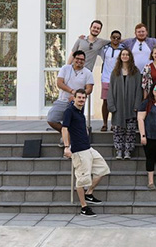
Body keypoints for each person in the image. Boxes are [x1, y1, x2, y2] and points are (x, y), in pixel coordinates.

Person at [62, 89, 110, 217]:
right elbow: (64, 128)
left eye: (84, 98)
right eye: (79, 97)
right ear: (74, 98)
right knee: (82, 180)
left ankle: (89, 193)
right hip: (79, 151)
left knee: (103, 169)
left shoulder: (80, 111)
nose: (82, 100)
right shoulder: (69, 111)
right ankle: (84, 207)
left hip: (88, 148)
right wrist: (67, 147)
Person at [47, 50, 94, 147]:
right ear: (73, 58)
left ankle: (69, 141)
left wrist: (77, 97)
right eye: (77, 59)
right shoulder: (65, 68)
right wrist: (72, 91)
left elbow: (89, 89)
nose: (79, 61)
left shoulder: (87, 72)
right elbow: (59, 83)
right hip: (63, 99)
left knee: (74, 122)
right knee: (51, 118)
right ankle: (67, 135)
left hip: (77, 103)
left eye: (82, 60)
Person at [107, 49, 143, 160]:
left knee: (130, 130)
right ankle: (119, 150)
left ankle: (128, 151)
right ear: (120, 56)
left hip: (131, 106)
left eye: (127, 54)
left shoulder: (135, 72)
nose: (125, 56)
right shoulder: (115, 72)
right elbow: (111, 89)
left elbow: (138, 90)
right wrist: (111, 105)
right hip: (118, 106)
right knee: (118, 130)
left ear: (130, 56)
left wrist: (137, 105)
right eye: (123, 54)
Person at [99, 30, 122, 131]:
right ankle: (105, 123)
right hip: (106, 78)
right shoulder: (105, 48)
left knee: (116, 102)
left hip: (118, 78)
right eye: (114, 37)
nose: (116, 39)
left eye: (118, 38)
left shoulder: (123, 49)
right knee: (106, 101)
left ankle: (114, 123)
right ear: (110, 37)